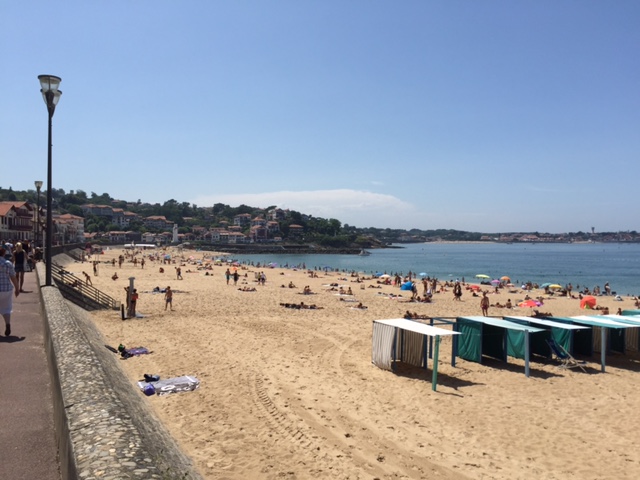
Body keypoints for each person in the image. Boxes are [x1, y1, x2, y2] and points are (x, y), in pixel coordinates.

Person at [1, 246, 20, 336]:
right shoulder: (8, 263)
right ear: (4, 254)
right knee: (6, 309)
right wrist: (17, 288)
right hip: (6, 289)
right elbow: (13, 277)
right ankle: (7, 324)